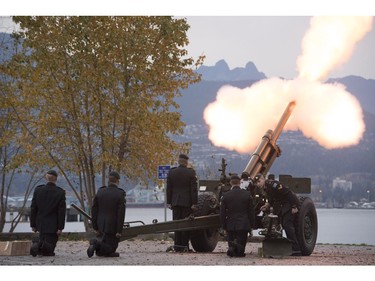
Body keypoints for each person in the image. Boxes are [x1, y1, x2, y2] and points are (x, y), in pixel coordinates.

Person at [254, 173, 302, 256]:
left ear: (263, 179)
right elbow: (272, 198)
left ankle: (296, 249)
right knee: (282, 224)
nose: (258, 184)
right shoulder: (265, 188)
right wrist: (267, 205)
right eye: (256, 182)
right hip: (282, 204)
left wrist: (294, 206)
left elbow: (288, 193)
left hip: (289, 203)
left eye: (259, 181)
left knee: (287, 225)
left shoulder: (273, 184)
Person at [87, 171, 126, 258]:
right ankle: (95, 243)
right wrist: (119, 231)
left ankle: (96, 245)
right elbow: (121, 214)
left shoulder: (100, 191)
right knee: (111, 249)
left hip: (100, 224)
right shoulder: (120, 194)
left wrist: (95, 226)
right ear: (118, 181)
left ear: (109, 180)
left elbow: (94, 210)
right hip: (113, 227)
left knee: (101, 252)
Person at [30, 169, 66, 257]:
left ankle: (38, 244)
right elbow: (61, 212)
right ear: (56, 179)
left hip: (40, 223)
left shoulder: (38, 190)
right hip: (53, 225)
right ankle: (39, 245)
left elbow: (33, 208)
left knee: (43, 243)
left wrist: (33, 224)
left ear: (46, 178)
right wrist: (60, 227)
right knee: (49, 251)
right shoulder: (60, 192)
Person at [166, 153, 198, 252]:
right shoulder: (191, 172)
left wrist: (169, 202)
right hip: (187, 203)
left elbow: (169, 189)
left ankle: (177, 245)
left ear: (178, 161)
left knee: (176, 224)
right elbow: (193, 190)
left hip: (175, 202)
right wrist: (194, 203)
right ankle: (184, 246)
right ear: (186, 162)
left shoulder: (172, 172)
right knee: (186, 224)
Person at [220, 174, 255, 257]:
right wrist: (251, 226)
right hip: (243, 223)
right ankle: (239, 251)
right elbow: (251, 212)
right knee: (241, 245)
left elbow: (222, 213)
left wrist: (223, 226)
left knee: (231, 240)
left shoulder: (225, 195)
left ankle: (232, 248)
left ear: (230, 183)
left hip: (230, 223)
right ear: (240, 182)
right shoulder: (247, 194)